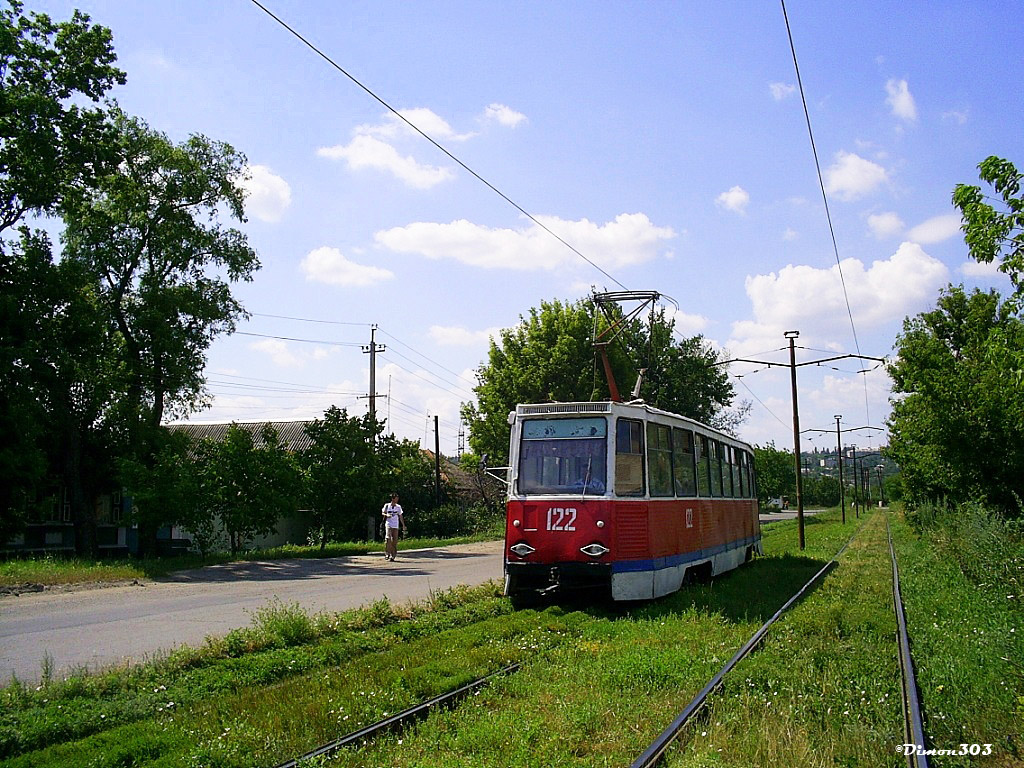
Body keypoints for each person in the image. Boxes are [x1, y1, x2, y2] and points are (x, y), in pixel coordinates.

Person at [381, 493, 407, 561]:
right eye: (396, 498)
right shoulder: (387, 505)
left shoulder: (398, 507)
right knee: (388, 538)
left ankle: (393, 555)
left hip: (395, 525)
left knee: (394, 541)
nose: (397, 499)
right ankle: (387, 553)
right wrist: (387, 515)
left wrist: (403, 525)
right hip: (388, 524)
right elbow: (383, 513)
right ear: (393, 499)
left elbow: (400, 516)